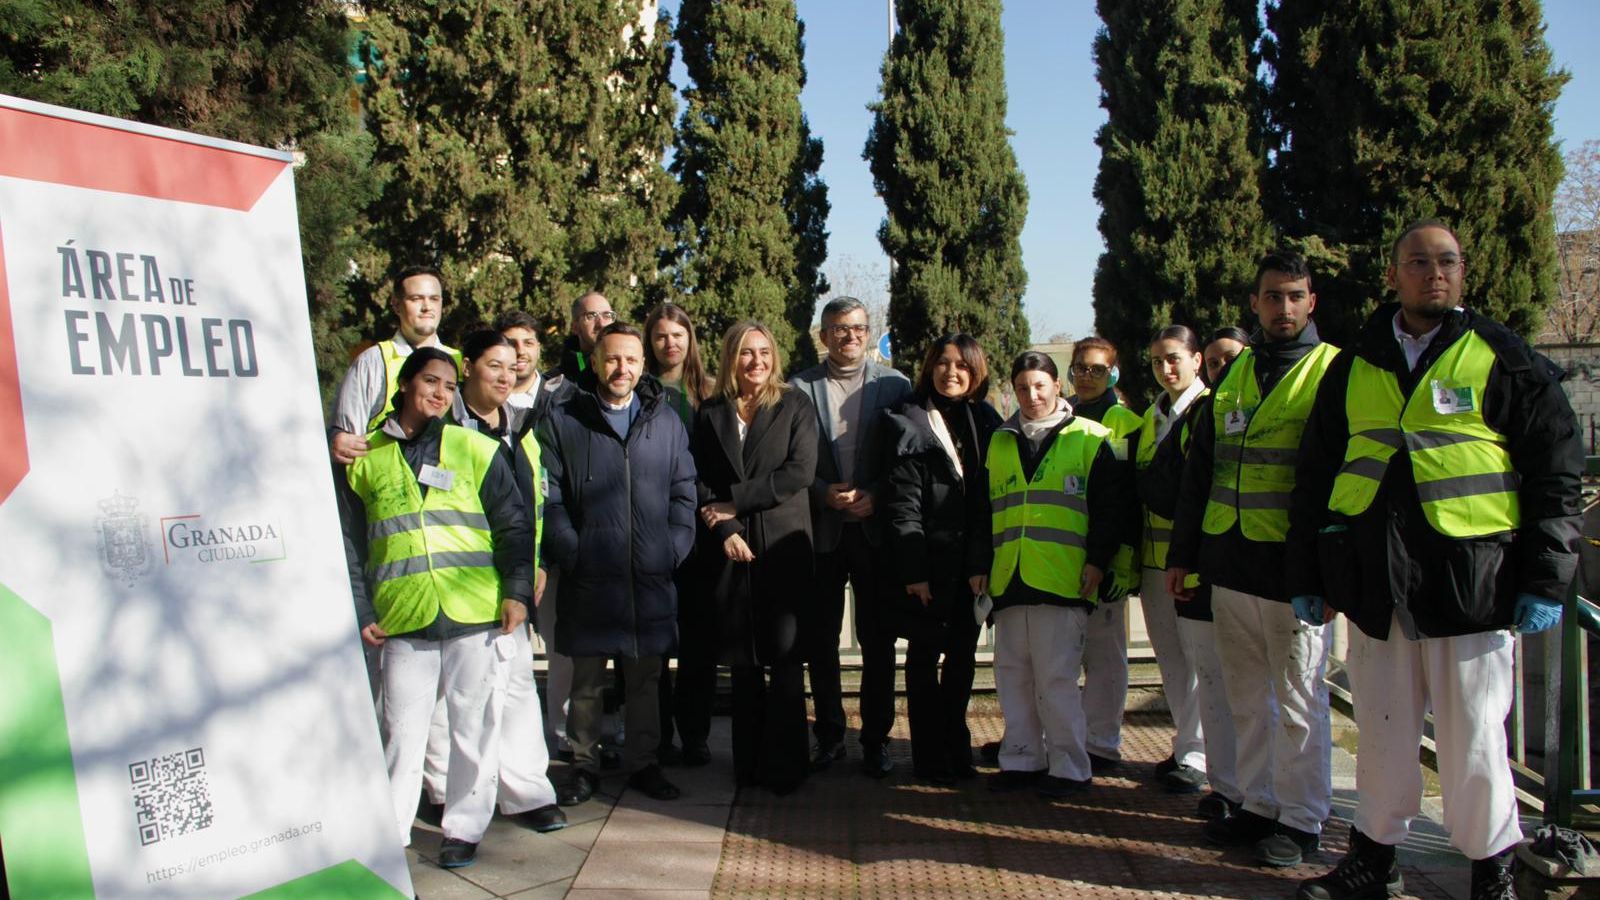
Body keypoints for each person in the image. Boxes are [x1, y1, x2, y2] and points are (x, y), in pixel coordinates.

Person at [1288, 220, 1582, 900]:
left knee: (1475, 736)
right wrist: (1308, 574)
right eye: (1418, 262)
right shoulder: (1353, 364)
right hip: (1376, 587)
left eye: (1447, 260)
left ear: (1463, 271)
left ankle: (1492, 868)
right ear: (1394, 274)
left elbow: (1556, 473)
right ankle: (1373, 860)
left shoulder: (1504, 357)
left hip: (1473, 586)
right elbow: (1316, 475)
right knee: (1383, 733)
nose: (1434, 273)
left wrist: (1545, 579)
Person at [1166, 250, 1340, 867]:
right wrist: (1184, 555)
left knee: (1298, 700)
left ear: (1311, 302)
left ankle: (1302, 819)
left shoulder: (1332, 370)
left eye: (1294, 296)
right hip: (1231, 561)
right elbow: (1201, 472)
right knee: (1245, 695)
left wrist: (1329, 569)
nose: (1283, 307)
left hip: (1295, 570)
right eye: (1272, 296)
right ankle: (1258, 804)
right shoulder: (1235, 374)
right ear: (1255, 304)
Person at [337, 347, 534, 869]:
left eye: (449, 386)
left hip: (474, 612)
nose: (441, 393)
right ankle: (391, 832)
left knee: (473, 729)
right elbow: (350, 544)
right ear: (405, 384)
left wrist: (515, 592)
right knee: (402, 733)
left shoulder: (474, 447)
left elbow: (514, 525)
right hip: (402, 616)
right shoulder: (365, 458)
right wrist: (361, 609)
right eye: (430, 381)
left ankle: (463, 830)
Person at [540, 322, 697, 806]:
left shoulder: (664, 421)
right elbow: (550, 497)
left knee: (645, 680)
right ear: (594, 361)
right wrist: (573, 550)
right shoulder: (566, 419)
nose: (621, 368)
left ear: (643, 364)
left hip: (649, 575)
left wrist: (673, 548)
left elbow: (684, 491)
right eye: (611, 358)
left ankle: (643, 762)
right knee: (587, 680)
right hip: (591, 575)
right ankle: (583, 765)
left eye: (630, 359)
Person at [987, 351, 1136, 799]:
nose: (1031, 395)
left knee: (1056, 681)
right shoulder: (1000, 441)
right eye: (1022, 388)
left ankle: (1070, 767)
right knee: (1013, 676)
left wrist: (1097, 562)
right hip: (1009, 578)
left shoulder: (1091, 437)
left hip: (1063, 579)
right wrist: (979, 568)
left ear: (1057, 386)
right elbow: (982, 511)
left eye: (1039, 386)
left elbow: (1110, 510)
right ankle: (1022, 759)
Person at [692, 321, 818, 793]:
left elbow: (801, 471)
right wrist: (724, 526)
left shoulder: (794, 404)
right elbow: (699, 478)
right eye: (746, 352)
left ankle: (785, 769)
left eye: (764, 352)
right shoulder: (710, 412)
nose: (757, 361)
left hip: (784, 548)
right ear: (731, 357)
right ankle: (747, 767)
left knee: (785, 661)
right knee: (743, 663)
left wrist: (737, 502)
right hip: (731, 549)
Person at [789, 297, 913, 777]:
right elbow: (788, 460)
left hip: (874, 532)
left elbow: (906, 459)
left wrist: (877, 494)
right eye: (839, 329)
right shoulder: (798, 388)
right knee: (820, 640)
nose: (850, 336)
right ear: (824, 336)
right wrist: (822, 493)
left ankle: (876, 739)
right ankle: (829, 735)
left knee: (878, 641)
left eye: (859, 328)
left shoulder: (894, 385)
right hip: (822, 529)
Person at [882, 334, 1002, 786]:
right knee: (922, 663)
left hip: (971, 570)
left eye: (962, 365)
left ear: (976, 371)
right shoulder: (906, 420)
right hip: (927, 569)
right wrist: (914, 572)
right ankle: (929, 756)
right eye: (943, 363)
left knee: (962, 663)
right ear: (929, 367)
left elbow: (989, 501)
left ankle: (957, 748)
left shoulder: (986, 421)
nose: (951, 373)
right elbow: (903, 505)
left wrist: (981, 563)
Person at [1135, 325, 1240, 817]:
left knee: (1203, 663)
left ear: (1197, 360)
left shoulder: (1207, 410)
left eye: (1174, 358)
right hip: (1154, 561)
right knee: (1172, 661)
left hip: (1193, 562)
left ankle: (1201, 756)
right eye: (1158, 361)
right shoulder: (1150, 417)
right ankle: (1186, 745)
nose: (1166, 368)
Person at [644, 302, 718, 767]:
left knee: (698, 643)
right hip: (651, 530)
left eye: (678, 334)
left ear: (690, 340)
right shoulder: (639, 390)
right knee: (653, 644)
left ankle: (695, 734)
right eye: (661, 335)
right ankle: (656, 735)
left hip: (702, 532)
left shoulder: (710, 392)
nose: (670, 343)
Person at [1064, 336, 1142, 773]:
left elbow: (1128, 499)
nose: (1087, 376)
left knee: (1105, 657)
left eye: (1097, 369)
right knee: (1064, 656)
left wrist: (1118, 561)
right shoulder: (1064, 416)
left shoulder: (1125, 422)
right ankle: (1065, 736)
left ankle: (1102, 742)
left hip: (1107, 559)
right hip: (1065, 554)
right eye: (1080, 368)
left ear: (1113, 374)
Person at [330, 265, 461, 466]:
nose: (427, 307)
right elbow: (348, 440)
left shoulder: (460, 362)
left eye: (434, 299)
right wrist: (337, 440)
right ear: (396, 305)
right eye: (416, 299)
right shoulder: (372, 361)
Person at [497, 310, 555, 422]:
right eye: (511, 344)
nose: (521, 351)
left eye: (528, 343)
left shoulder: (563, 400)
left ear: (538, 350)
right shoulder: (482, 401)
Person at [546, 291, 615, 386]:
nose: (601, 324)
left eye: (607, 315)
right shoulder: (555, 383)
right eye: (591, 316)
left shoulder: (630, 372)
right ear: (575, 327)